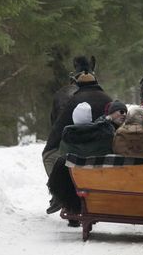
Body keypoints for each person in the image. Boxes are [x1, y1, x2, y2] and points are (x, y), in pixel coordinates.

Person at [43, 68, 112, 213]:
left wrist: (50, 146)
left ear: (78, 85)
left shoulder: (75, 100)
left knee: (49, 157)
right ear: (96, 82)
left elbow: (59, 127)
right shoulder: (107, 98)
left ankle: (59, 195)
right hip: (103, 153)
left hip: (79, 153)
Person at [47, 103, 116, 220]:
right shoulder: (105, 135)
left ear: (74, 118)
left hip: (74, 184)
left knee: (63, 166)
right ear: (90, 118)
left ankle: (69, 206)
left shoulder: (67, 137)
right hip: (99, 182)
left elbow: (63, 157)